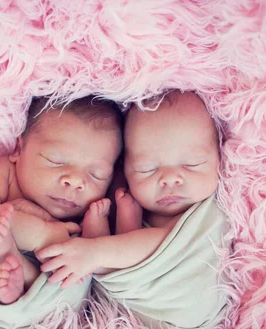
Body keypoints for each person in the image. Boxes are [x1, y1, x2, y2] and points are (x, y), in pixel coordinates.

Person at [37, 91, 222, 287]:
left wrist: (95, 252)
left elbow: (157, 244)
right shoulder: (127, 199)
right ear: (125, 171)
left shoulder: (206, 215)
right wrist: (101, 239)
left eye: (192, 164)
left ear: (219, 156)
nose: (169, 180)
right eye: (147, 169)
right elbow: (123, 262)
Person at [0, 96, 123, 304]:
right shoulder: (6, 174)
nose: (75, 181)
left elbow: (100, 268)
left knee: (71, 280)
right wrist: (43, 234)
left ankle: (14, 270)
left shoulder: (93, 209)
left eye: (96, 174)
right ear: (19, 150)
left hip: (46, 298)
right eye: (56, 161)